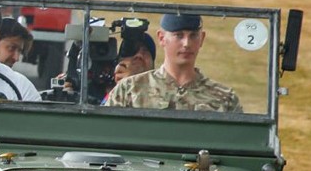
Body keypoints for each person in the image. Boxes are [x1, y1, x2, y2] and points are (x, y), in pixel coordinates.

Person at [104, 12, 242, 112]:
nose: (187, 44)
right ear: (162, 38)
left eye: (193, 36)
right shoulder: (129, 90)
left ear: (202, 39)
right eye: (179, 35)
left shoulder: (225, 98)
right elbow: (106, 136)